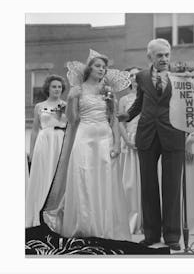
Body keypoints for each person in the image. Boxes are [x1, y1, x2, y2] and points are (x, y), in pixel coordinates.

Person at [41, 52, 131, 241]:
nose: (102, 69)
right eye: (98, 66)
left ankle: (104, 227)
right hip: (84, 138)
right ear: (89, 68)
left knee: (105, 181)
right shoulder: (78, 89)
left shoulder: (107, 90)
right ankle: (84, 226)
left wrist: (116, 143)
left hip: (104, 138)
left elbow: (113, 118)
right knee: (83, 179)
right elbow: (72, 121)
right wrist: (72, 98)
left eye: (104, 67)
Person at [118, 38, 185, 250]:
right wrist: (124, 117)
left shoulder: (182, 76)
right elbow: (139, 103)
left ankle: (172, 235)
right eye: (159, 55)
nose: (164, 59)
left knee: (172, 186)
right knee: (148, 187)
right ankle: (151, 234)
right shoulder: (141, 77)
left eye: (167, 55)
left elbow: (190, 104)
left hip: (174, 134)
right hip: (146, 135)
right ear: (150, 57)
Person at [25, 74, 67, 228]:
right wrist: (32, 151)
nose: (57, 89)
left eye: (60, 87)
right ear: (48, 88)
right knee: (43, 176)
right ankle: (39, 214)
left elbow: (71, 126)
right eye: (54, 86)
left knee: (57, 176)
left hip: (60, 141)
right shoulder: (39, 106)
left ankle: (56, 216)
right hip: (44, 142)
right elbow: (35, 130)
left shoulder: (66, 105)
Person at [119, 66, 143, 234]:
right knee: (129, 183)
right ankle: (130, 219)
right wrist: (127, 141)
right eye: (131, 75)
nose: (134, 78)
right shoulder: (124, 100)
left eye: (137, 75)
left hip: (146, 141)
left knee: (145, 182)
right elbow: (120, 122)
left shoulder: (149, 97)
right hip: (129, 140)